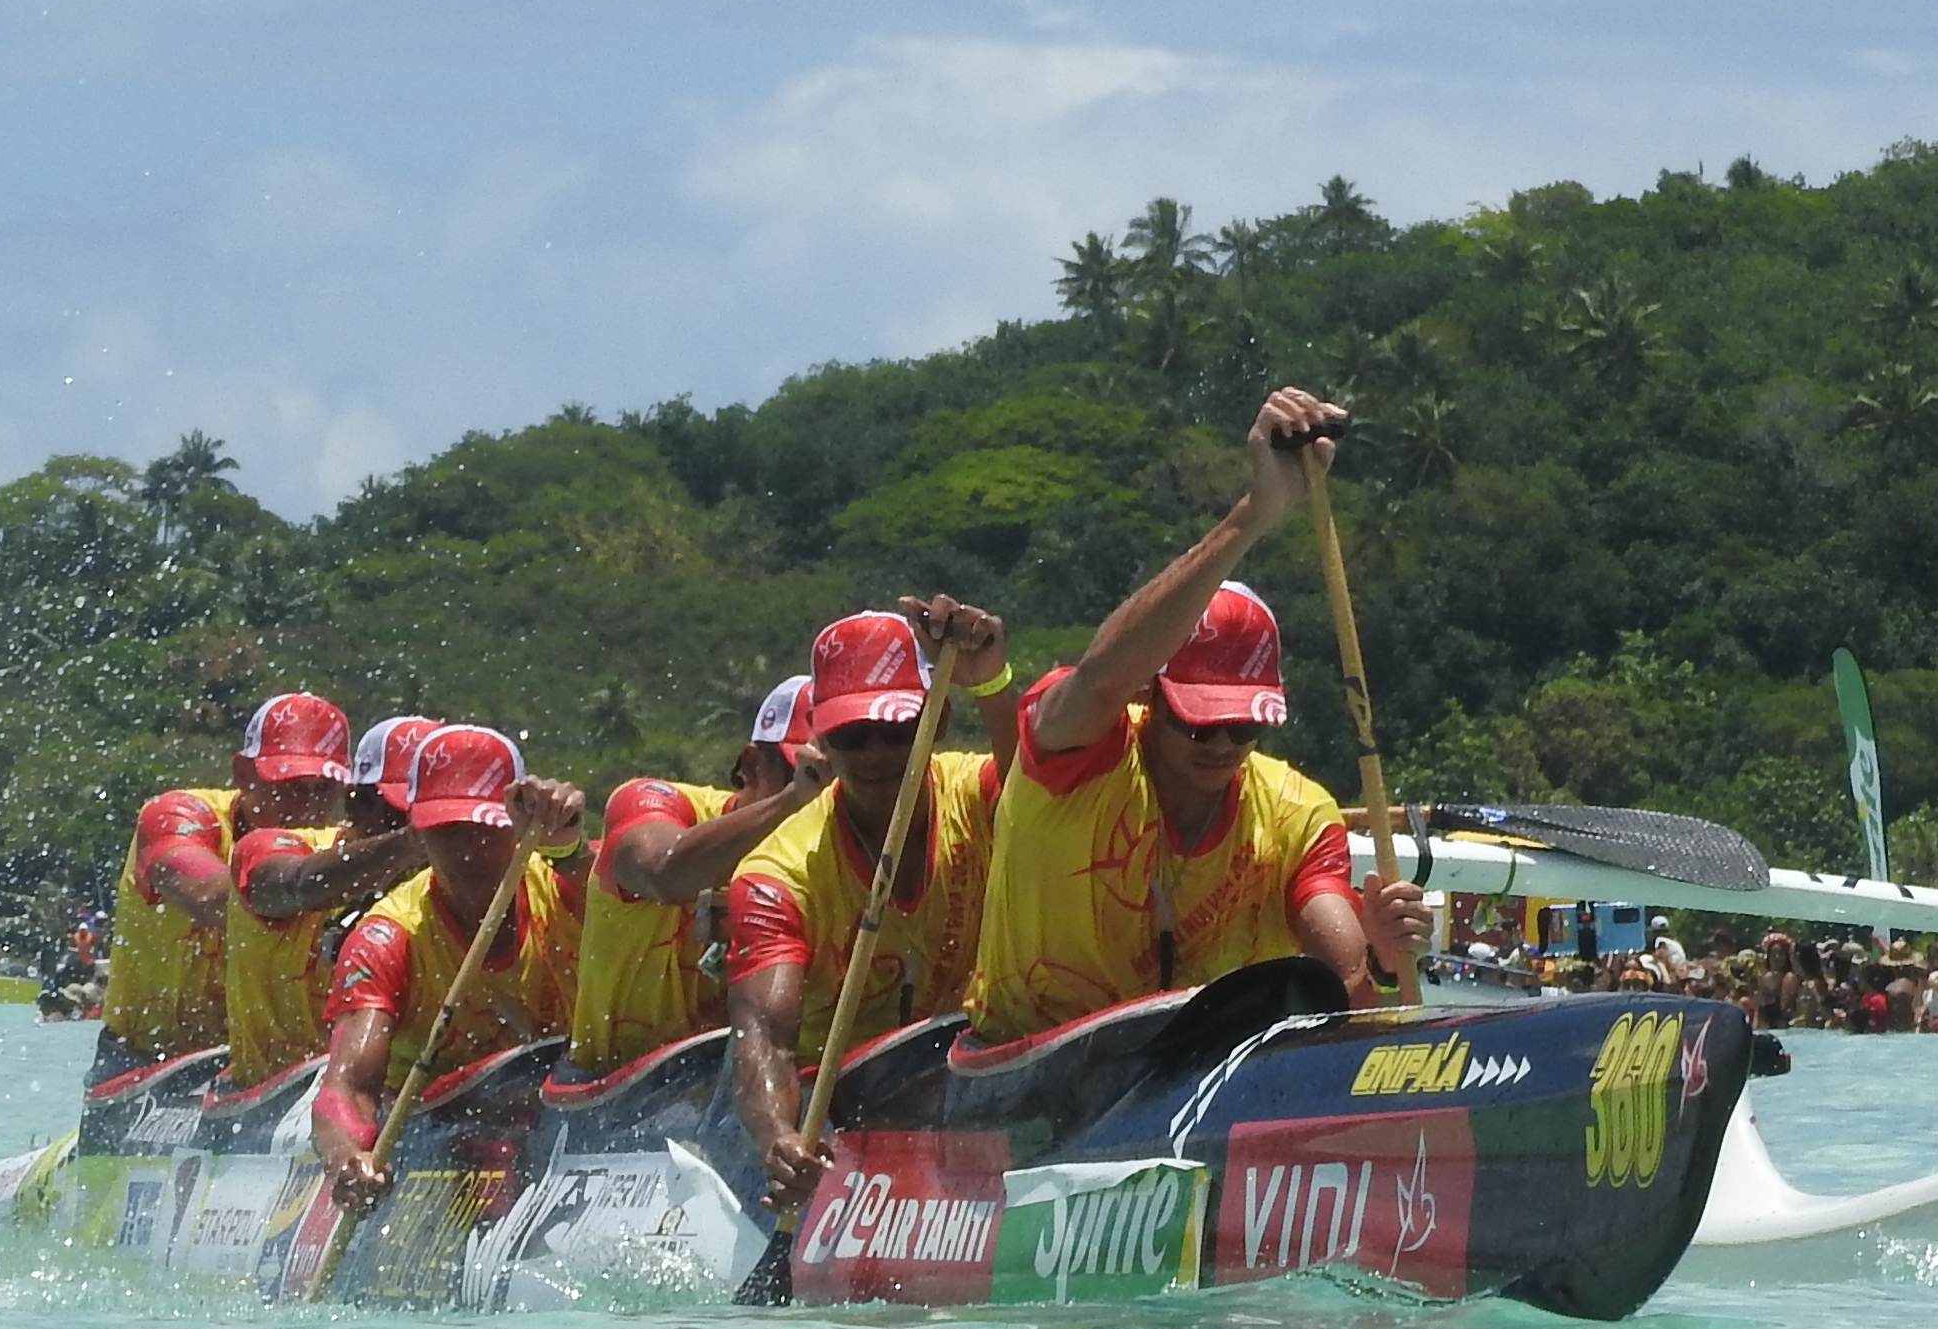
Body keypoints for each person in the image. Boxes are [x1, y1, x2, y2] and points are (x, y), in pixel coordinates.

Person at [964, 387, 1439, 1045]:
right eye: (1199, 722)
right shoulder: (1080, 752)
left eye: (1243, 727)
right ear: (1149, 699)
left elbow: (1342, 964)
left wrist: (1384, 955)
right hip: (1026, 1065)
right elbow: (1100, 679)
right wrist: (1257, 511)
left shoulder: (1296, 812)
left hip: (1193, 1077)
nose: (1222, 745)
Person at [725, 602, 1012, 1203]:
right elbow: (766, 1038)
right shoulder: (775, 876)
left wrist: (991, 679)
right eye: (854, 736)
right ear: (821, 741)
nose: (877, 753)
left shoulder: (982, 794)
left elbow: (1046, 783)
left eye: (896, 731)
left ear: (937, 720)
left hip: (979, 1077)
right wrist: (779, 1137)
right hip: (844, 1100)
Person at [314, 727, 587, 1204]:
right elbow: (347, 1087)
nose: (469, 848)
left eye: (486, 828)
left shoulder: (570, 889)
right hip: (437, 1127)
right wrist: (347, 1158)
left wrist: (572, 845)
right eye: (448, 830)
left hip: (562, 1115)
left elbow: (641, 890)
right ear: (418, 832)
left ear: (519, 822)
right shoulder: (388, 936)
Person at [569, 672, 828, 1075]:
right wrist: (794, 801)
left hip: (731, 1089)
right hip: (614, 1092)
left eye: (836, 786)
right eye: (808, 776)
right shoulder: (654, 803)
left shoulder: (837, 856)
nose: (824, 802)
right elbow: (665, 873)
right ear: (752, 766)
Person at [220, 694, 401, 1083]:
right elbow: (300, 885)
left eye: (320, 789)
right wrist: (415, 843)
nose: (306, 803)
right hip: (276, 1088)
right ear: (356, 806)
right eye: (396, 811)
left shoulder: (466, 870)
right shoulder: (263, 846)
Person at [91, 768, 236, 1070]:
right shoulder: (175, 814)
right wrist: (301, 884)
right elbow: (205, 897)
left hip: (256, 1060)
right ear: (245, 774)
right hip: (138, 1059)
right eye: (292, 787)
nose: (307, 803)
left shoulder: (336, 845)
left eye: (323, 789)